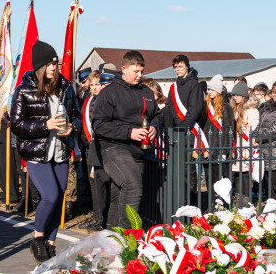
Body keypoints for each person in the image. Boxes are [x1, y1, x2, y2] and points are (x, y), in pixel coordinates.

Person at [10, 41, 81, 263]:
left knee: (59, 198)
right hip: (36, 152)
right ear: (40, 67)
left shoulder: (67, 87)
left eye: (55, 63)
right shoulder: (24, 90)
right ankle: (37, 238)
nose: (53, 67)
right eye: (49, 64)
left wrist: (72, 128)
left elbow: (77, 114)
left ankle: (50, 243)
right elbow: (16, 125)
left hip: (61, 151)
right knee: (50, 196)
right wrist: (45, 125)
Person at [93, 50, 162, 228]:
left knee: (120, 194)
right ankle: (127, 237)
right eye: (135, 71)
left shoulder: (146, 92)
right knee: (133, 186)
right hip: (113, 148)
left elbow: (158, 116)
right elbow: (99, 125)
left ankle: (112, 236)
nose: (140, 75)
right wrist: (128, 132)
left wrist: (155, 127)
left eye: (142, 71)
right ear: (123, 69)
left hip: (138, 151)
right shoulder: (109, 93)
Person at [165, 54, 204, 195]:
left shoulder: (194, 84)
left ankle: (190, 200)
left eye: (180, 66)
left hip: (189, 132)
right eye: (175, 67)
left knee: (188, 170)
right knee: (176, 169)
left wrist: (182, 128)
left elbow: (194, 109)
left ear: (186, 66)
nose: (177, 69)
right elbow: (170, 109)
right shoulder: (173, 87)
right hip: (176, 132)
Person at [78, 70, 107, 232]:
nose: (95, 88)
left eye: (98, 84)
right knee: (92, 184)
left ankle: (101, 218)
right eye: (93, 84)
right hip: (88, 147)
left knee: (99, 184)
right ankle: (96, 216)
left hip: (99, 148)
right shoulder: (88, 100)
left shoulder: (103, 101)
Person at [200, 74, 234, 205]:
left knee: (219, 181)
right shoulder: (206, 106)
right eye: (209, 89)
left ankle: (220, 207)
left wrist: (224, 152)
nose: (209, 92)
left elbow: (228, 130)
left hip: (219, 149)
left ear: (219, 91)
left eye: (212, 89)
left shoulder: (227, 108)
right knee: (209, 180)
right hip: (207, 148)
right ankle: (211, 206)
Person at [230, 81, 260, 206]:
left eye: (238, 95)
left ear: (243, 96)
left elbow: (254, 128)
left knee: (245, 174)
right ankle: (238, 197)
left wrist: (246, 130)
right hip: (236, 145)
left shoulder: (251, 110)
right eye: (234, 95)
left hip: (246, 145)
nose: (235, 97)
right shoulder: (235, 108)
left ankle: (246, 200)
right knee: (237, 172)